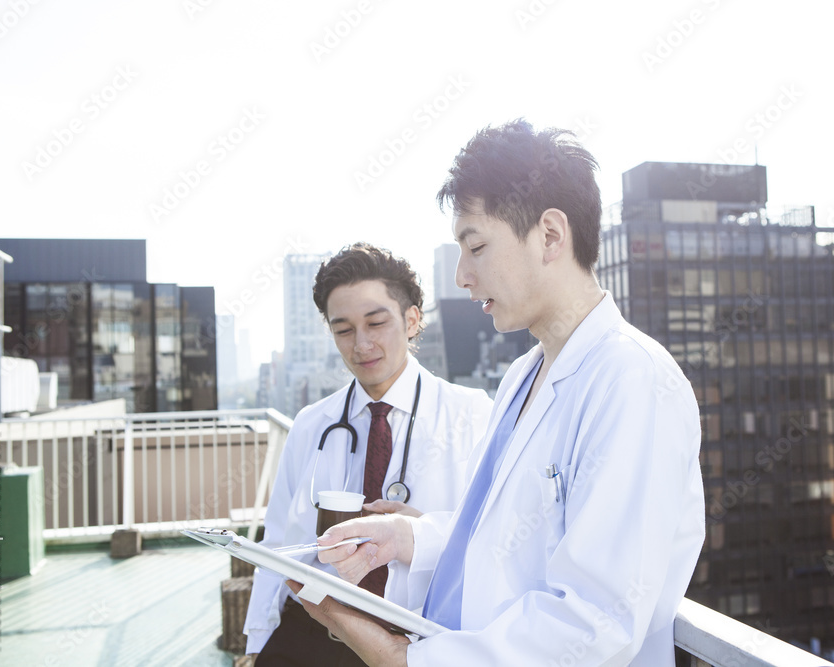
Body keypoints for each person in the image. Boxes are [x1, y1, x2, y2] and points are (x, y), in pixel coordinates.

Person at [295, 120, 706, 666]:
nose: (463, 275)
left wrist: (405, 661)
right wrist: (404, 537)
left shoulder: (633, 382)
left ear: (551, 236)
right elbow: (501, 544)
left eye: (477, 246)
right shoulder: (521, 378)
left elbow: (597, 620)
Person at [245, 242, 493, 666]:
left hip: (417, 639)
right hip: (315, 628)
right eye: (343, 330)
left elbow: (495, 539)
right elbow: (278, 543)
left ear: (412, 320)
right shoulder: (312, 423)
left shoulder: (472, 415)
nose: (361, 345)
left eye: (376, 323)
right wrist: (255, 644)